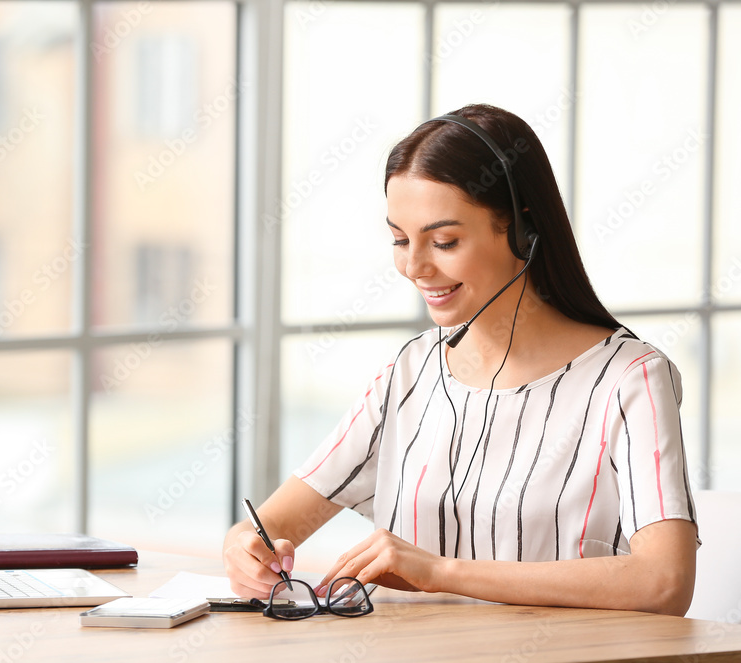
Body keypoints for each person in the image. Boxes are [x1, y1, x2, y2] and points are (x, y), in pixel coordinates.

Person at [223, 103, 699, 616]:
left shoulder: (630, 378)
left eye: (444, 241)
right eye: (400, 240)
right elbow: (269, 526)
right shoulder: (411, 371)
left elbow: (663, 582)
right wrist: (246, 548)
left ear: (524, 230)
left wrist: (437, 572)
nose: (414, 266)